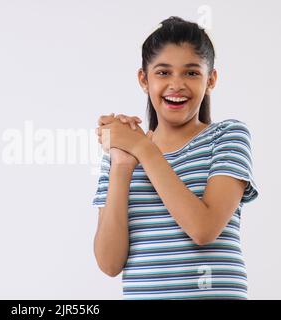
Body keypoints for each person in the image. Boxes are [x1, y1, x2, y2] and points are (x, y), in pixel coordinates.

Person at [92, 16, 259, 300]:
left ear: (211, 80)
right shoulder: (123, 153)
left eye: (192, 73)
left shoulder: (228, 136)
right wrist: (122, 163)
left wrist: (144, 149)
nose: (177, 84)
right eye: (163, 73)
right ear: (144, 79)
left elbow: (203, 229)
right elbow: (109, 263)